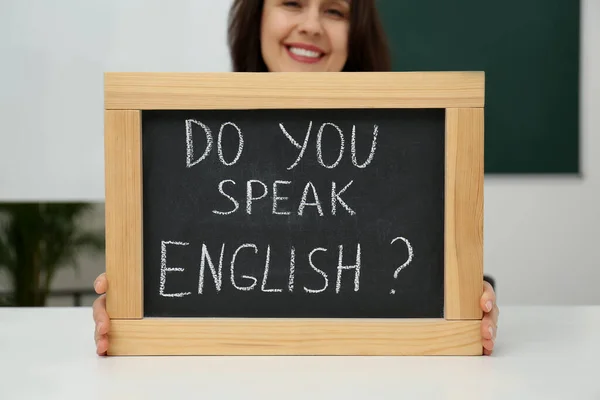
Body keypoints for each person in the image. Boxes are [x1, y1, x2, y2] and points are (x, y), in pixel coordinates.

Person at [92, 0, 499, 356]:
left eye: (335, 11)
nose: (311, 25)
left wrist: (475, 298)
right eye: (291, 3)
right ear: (257, 17)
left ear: (356, 33)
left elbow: (424, 265)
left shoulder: (402, 148)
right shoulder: (194, 144)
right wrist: (130, 303)